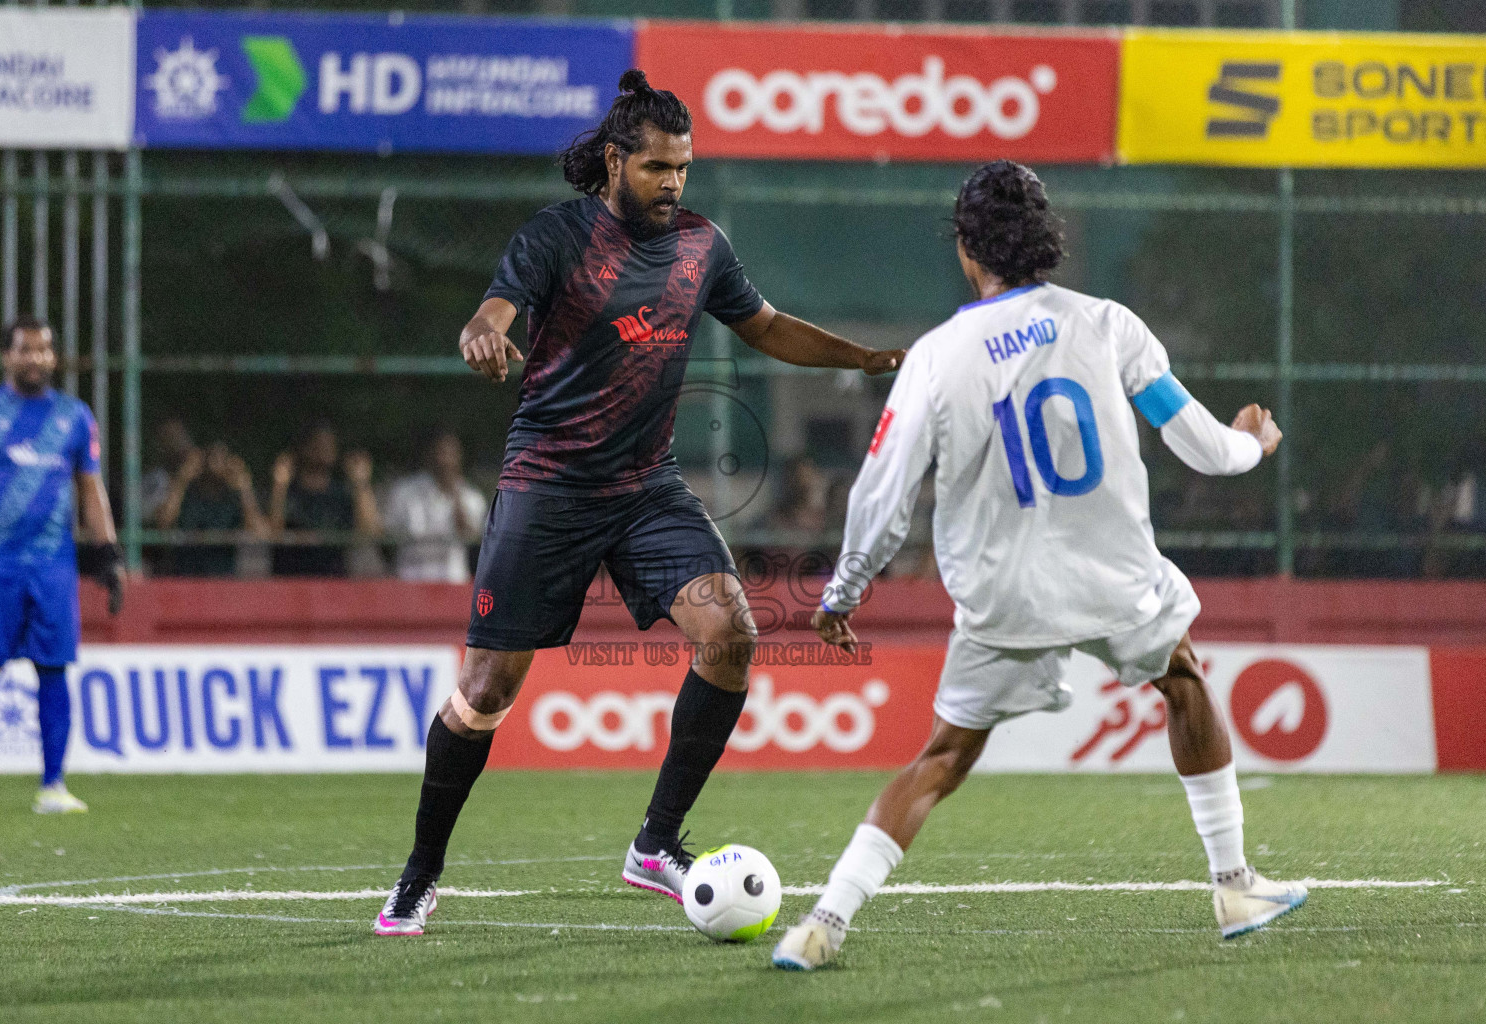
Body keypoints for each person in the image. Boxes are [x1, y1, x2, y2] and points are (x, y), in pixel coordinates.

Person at [373, 69, 904, 936]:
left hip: (646, 486)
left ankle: (655, 845)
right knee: (484, 689)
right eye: (658, 168)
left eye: (684, 169)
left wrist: (870, 359)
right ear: (616, 160)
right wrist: (485, 331)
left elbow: (766, 327)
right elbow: (496, 308)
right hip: (549, 481)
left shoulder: (703, 247)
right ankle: (420, 872)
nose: (673, 184)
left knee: (731, 633)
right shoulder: (557, 235)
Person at [770, 161, 1304, 970]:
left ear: (965, 250)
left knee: (944, 757)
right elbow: (1202, 446)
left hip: (1002, 595)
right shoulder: (1108, 325)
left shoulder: (938, 357)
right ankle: (1234, 884)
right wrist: (1254, 443)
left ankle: (824, 924)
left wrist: (842, 593)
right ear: (1046, 240)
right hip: (1114, 577)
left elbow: (881, 493)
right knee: (1183, 679)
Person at [0, 316, 125, 814]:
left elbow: (90, 490)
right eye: (26, 349)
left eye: (44, 350)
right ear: (6, 356)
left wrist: (108, 553)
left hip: (53, 567)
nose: (36, 358)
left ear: (54, 357)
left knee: (54, 669)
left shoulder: (73, 417)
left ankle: (52, 786)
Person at [268, 422, 380, 577]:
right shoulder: (288, 491)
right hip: (290, 583)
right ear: (304, 449)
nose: (325, 449)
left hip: (332, 584)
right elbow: (272, 531)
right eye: (319, 444)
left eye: (330, 444)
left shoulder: (342, 493)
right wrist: (279, 485)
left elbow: (369, 532)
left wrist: (361, 483)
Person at [383, 429, 487, 583]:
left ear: (459, 458)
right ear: (429, 455)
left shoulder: (472, 498)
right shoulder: (404, 491)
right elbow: (386, 537)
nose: (444, 460)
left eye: (450, 454)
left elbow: (471, 539)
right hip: (410, 580)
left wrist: (455, 495)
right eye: (440, 452)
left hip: (452, 581)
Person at [154, 441, 269, 576]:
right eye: (211, 456)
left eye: (222, 457)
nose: (216, 462)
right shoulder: (188, 494)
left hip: (221, 578)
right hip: (185, 575)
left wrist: (245, 486)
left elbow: (261, 532)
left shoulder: (233, 497)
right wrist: (182, 479)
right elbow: (164, 523)